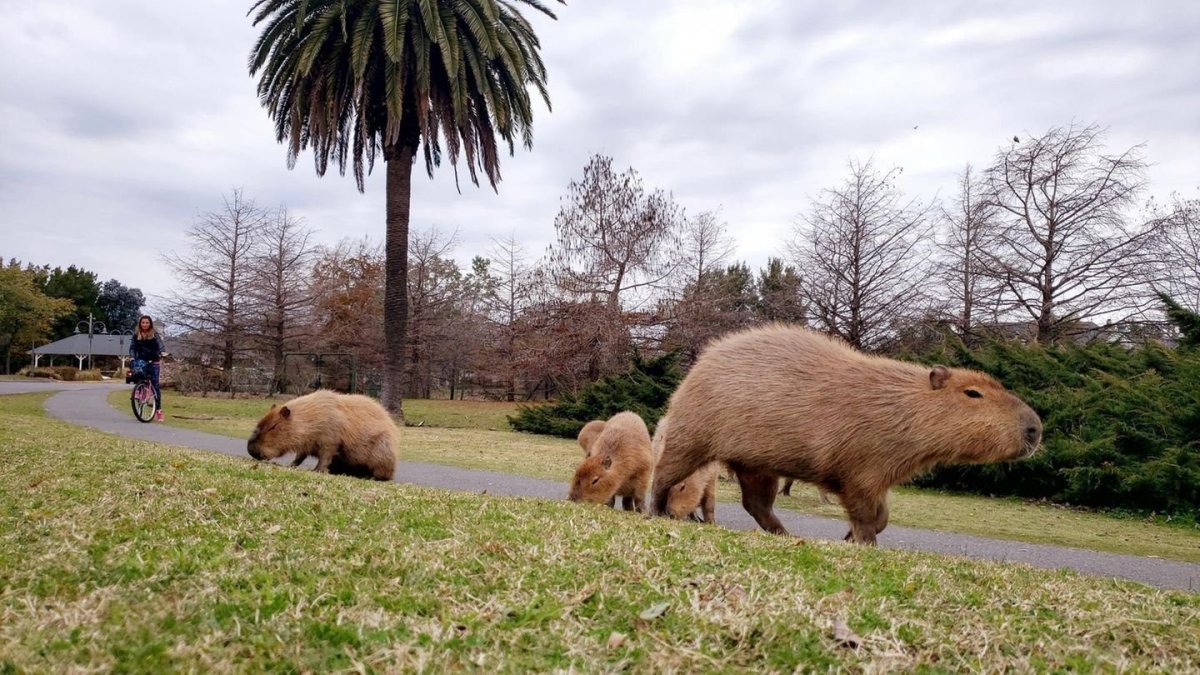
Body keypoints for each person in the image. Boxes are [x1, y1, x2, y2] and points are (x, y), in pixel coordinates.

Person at [130, 315, 166, 421]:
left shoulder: (154, 334)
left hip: (154, 360)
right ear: (140, 324)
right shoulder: (136, 335)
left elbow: (160, 345)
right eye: (143, 323)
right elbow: (132, 347)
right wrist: (132, 356)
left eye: (147, 323)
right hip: (141, 360)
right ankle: (139, 390)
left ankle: (158, 410)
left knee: (155, 385)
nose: (145, 324)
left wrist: (162, 352)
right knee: (139, 372)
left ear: (150, 324)